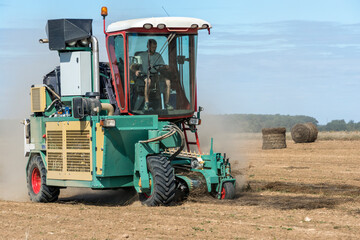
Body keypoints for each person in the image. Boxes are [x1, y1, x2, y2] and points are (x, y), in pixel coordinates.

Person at [135, 39, 173, 111]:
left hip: (156, 75)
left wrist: (165, 67)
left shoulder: (158, 55)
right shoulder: (141, 55)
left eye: (155, 47)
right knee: (148, 81)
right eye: (153, 47)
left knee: (168, 82)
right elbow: (132, 66)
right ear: (147, 46)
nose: (154, 49)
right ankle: (146, 103)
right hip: (144, 75)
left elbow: (161, 66)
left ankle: (167, 103)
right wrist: (136, 70)